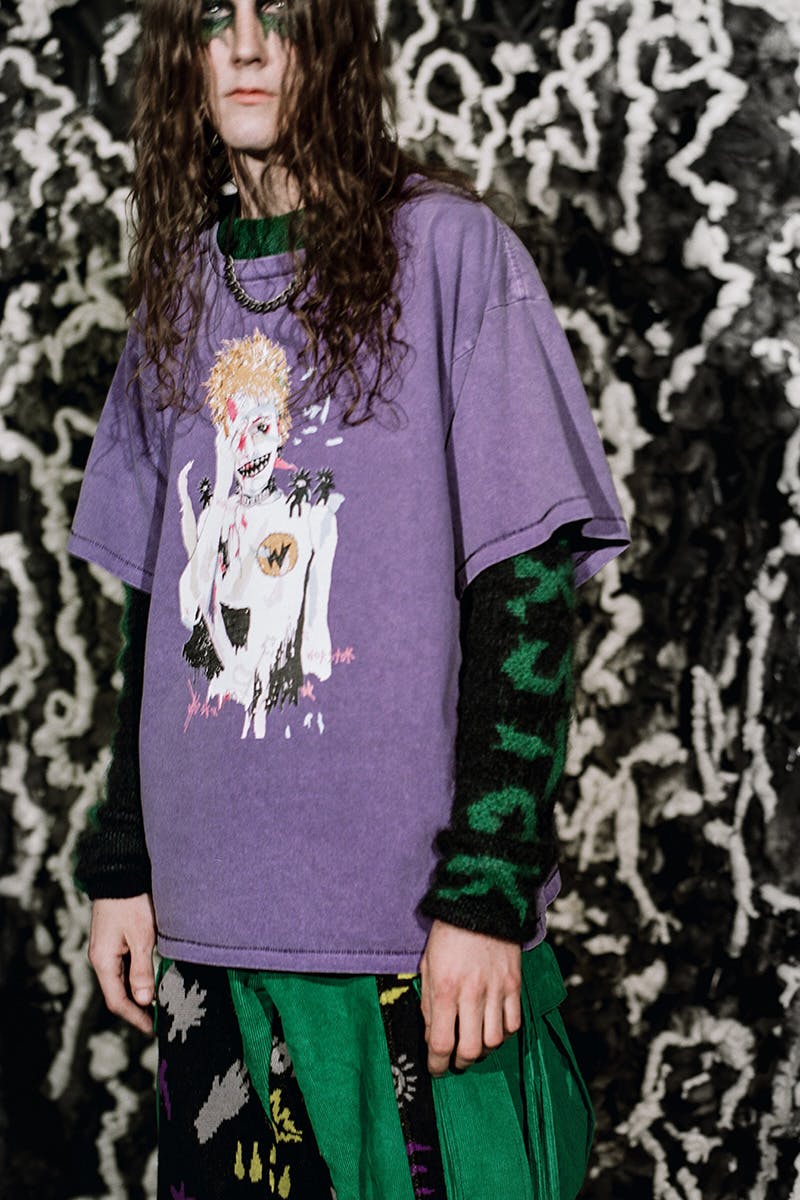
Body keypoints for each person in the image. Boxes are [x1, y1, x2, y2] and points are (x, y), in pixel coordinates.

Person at [69, 1, 629, 1197]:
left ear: (337, 42)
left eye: (281, 15)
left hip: (406, 934)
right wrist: (122, 863)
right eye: (215, 17)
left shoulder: (450, 253)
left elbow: (525, 593)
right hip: (208, 930)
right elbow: (150, 617)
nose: (247, 45)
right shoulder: (176, 289)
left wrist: (485, 893)